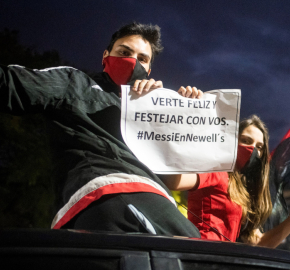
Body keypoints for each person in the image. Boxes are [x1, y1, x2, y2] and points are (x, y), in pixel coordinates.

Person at [0, 22, 201, 237]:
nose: (133, 61)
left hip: (158, 201)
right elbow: (11, 84)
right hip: (105, 192)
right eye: (124, 52)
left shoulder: (154, 106)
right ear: (106, 55)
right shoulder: (74, 82)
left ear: (149, 70)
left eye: (142, 59)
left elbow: (173, 176)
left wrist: (182, 113)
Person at [161, 115, 290, 248]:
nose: (253, 149)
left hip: (221, 261)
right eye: (246, 140)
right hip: (200, 257)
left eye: (259, 146)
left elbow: (260, 243)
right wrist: (183, 126)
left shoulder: (242, 190)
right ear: (232, 142)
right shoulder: (217, 170)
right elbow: (174, 181)